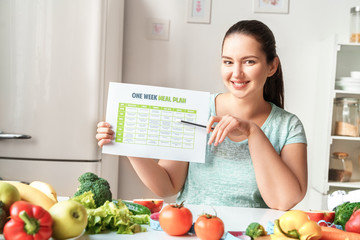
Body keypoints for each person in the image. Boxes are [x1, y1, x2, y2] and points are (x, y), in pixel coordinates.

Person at [96, 20, 307, 211]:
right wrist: (128, 143)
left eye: (249, 62)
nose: (236, 73)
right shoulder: (198, 110)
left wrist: (252, 132)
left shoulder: (288, 126)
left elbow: (284, 200)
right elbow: (167, 185)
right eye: (228, 62)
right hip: (192, 230)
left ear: (272, 66)